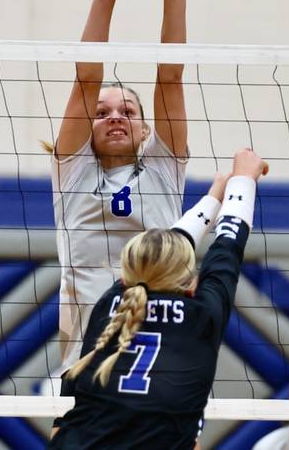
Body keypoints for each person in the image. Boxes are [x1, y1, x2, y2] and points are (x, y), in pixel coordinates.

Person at [50, 0, 218, 374]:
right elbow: (86, 77)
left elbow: (171, 75)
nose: (115, 116)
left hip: (159, 362)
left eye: (127, 110)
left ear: (146, 130)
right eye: (102, 113)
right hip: (85, 362)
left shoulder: (163, 169)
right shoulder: (72, 171)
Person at [49, 148, 269, 449]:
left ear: (126, 273)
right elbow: (227, 246)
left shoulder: (110, 304)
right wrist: (242, 181)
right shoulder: (201, 316)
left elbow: (164, 250)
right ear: (189, 281)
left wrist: (220, 193)